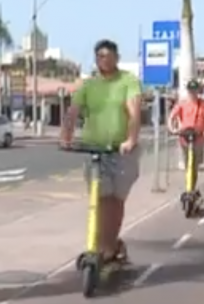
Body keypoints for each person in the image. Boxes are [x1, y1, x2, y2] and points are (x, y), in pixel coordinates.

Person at [60, 39, 142, 264]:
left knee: (116, 202)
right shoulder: (89, 85)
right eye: (98, 56)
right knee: (100, 199)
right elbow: (72, 111)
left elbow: (134, 112)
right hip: (95, 150)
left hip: (120, 151)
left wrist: (131, 139)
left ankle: (111, 244)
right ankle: (101, 246)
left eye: (106, 55)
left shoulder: (128, 81)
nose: (102, 60)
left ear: (116, 57)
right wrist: (65, 136)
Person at [168, 79, 204, 198]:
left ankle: (192, 188)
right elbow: (172, 116)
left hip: (198, 138)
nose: (193, 93)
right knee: (188, 164)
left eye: (195, 91)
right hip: (185, 138)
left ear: (198, 91)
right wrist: (172, 128)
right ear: (188, 92)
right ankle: (189, 188)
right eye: (191, 91)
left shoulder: (202, 104)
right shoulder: (182, 104)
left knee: (194, 165)